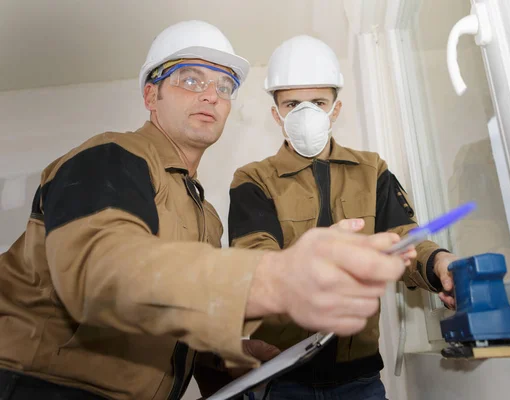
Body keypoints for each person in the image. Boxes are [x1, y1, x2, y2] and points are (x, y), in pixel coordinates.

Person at [0, 22, 416, 400]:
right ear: (151, 94)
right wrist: (275, 279)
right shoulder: (109, 157)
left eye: (224, 86)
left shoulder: (204, 215)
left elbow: (164, 312)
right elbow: (101, 274)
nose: (209, 95)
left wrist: (225, 354)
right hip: (38, 385)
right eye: (190, 78)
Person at [228, 35, 458, 400]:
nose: (306, 114)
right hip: (282, 378)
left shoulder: (372, 170)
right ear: (276, 114)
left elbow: (405, 239)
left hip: (360, 380)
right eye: (292, 103)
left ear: (335, 109)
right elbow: (253, 260)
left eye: (318, 102)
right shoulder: (253, 179)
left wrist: (440, 264)